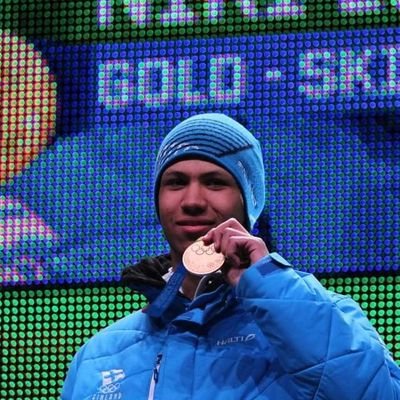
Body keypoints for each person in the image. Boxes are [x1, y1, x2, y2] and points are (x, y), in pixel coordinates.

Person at [61, 113, 400, 399]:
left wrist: (268, 283)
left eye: (215, 182)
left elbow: (375, 392)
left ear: (248, 203)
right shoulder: (97, 356)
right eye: (176, 182)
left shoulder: (322, 316)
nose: (192, 200)